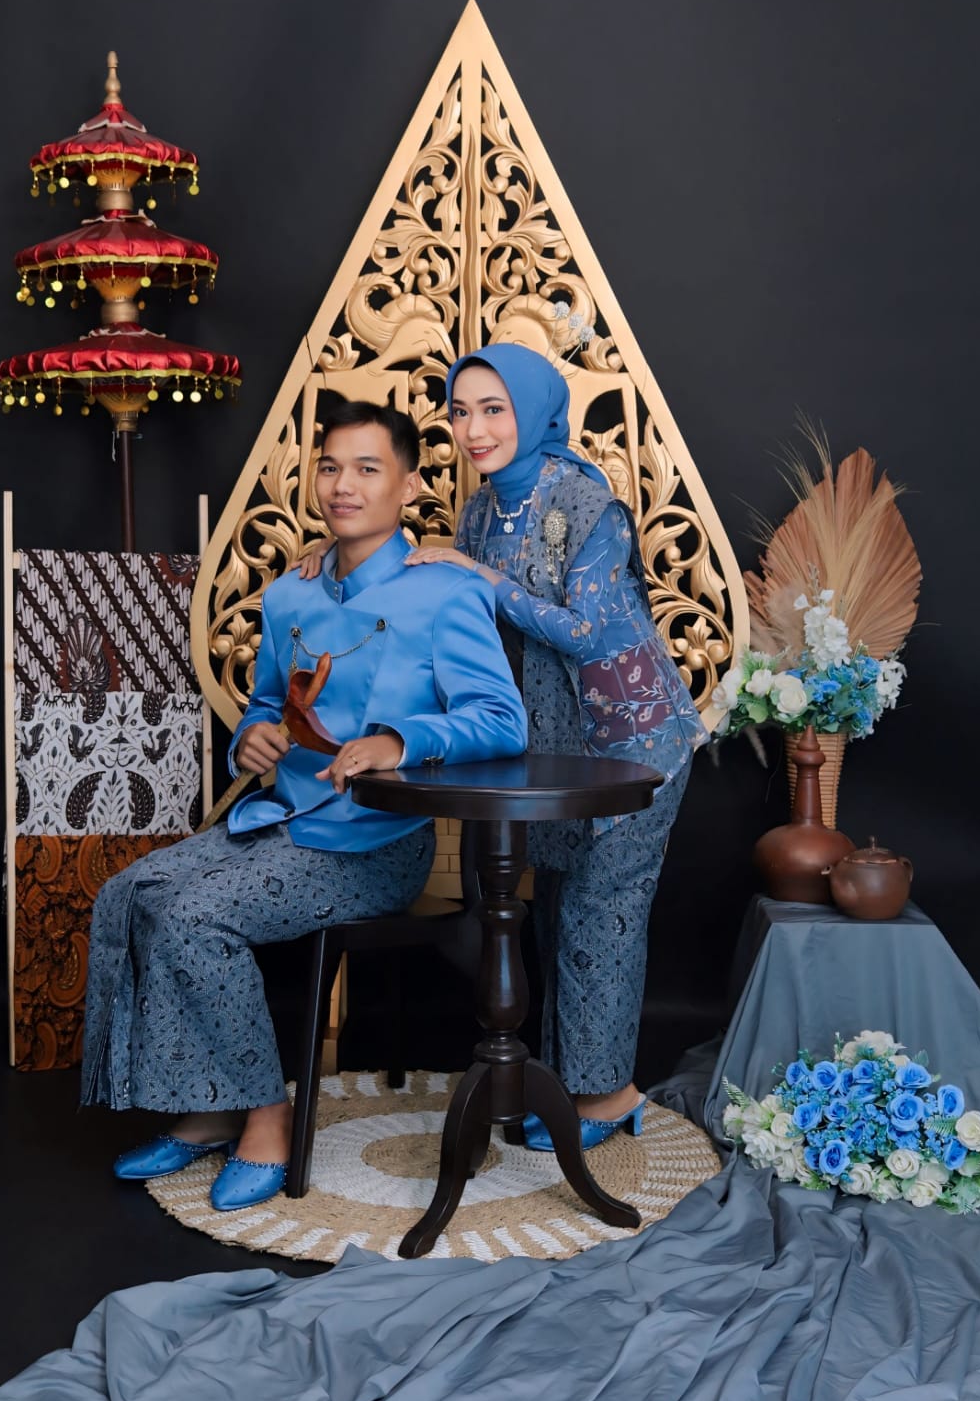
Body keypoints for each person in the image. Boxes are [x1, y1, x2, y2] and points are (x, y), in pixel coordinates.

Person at [80, 399, 527, 1212]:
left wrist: (399, 740)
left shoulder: (446, 594)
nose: (342, 485)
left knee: (195, 917)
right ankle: (209, 1107)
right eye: (329, 467)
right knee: (130, 892)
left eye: (366, 468)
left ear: (408, 486)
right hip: (278, 821)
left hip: (375, 844)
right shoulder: (291, 593)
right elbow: (265, 704)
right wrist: (250, 739)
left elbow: (502, 720)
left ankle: (267, 1115)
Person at [298, 344, 707, 1150]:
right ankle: (567, 1082)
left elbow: (587, 634)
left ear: (535, 410)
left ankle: (606, 1096)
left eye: (495, 409)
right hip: (559, 744)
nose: (474, 429)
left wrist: (487, 581)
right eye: (460, 411)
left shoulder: (590, 506)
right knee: (554, 910)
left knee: (600, 912)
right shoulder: (481, 510)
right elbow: (439, 594)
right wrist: (334, 567)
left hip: (636, 738)